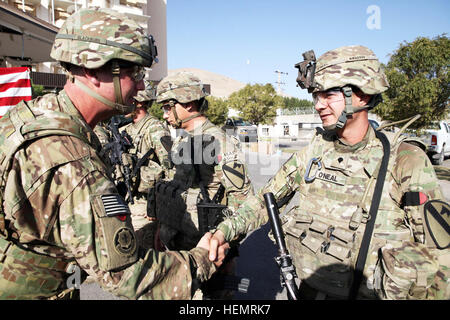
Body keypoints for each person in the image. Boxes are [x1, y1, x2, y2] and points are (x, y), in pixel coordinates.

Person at [0, 8, 222, 300]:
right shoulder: (75, 164)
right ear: (92, 70)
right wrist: (202, 260)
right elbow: (126, 275)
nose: (141, 85)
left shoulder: (25, 118)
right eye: (134, 73)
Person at [209, 45, 449, 300]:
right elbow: (265, 201)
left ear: (363, 95)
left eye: (329, 95)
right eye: (316, 95)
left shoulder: (405, 160)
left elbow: (439, 258)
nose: (319, 105)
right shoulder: (315, 150)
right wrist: (224, 231)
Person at [153, 72, 254, 299]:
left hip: (209, 248)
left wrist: (227, 244)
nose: (165, 113)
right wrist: (163, 227)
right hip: (179, 243)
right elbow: (175, 187)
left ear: (188, 103)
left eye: (168, 107)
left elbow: (244, 200)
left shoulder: (219, 142)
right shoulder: (182, 139)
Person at [119, 86, 172, 250]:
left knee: (145, 256)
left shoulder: (155, 129)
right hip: (127, 201)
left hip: (146, 208)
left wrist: (159, 212)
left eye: (129, 100)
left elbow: (170, 170)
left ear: (139, 103)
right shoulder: (124, 129)